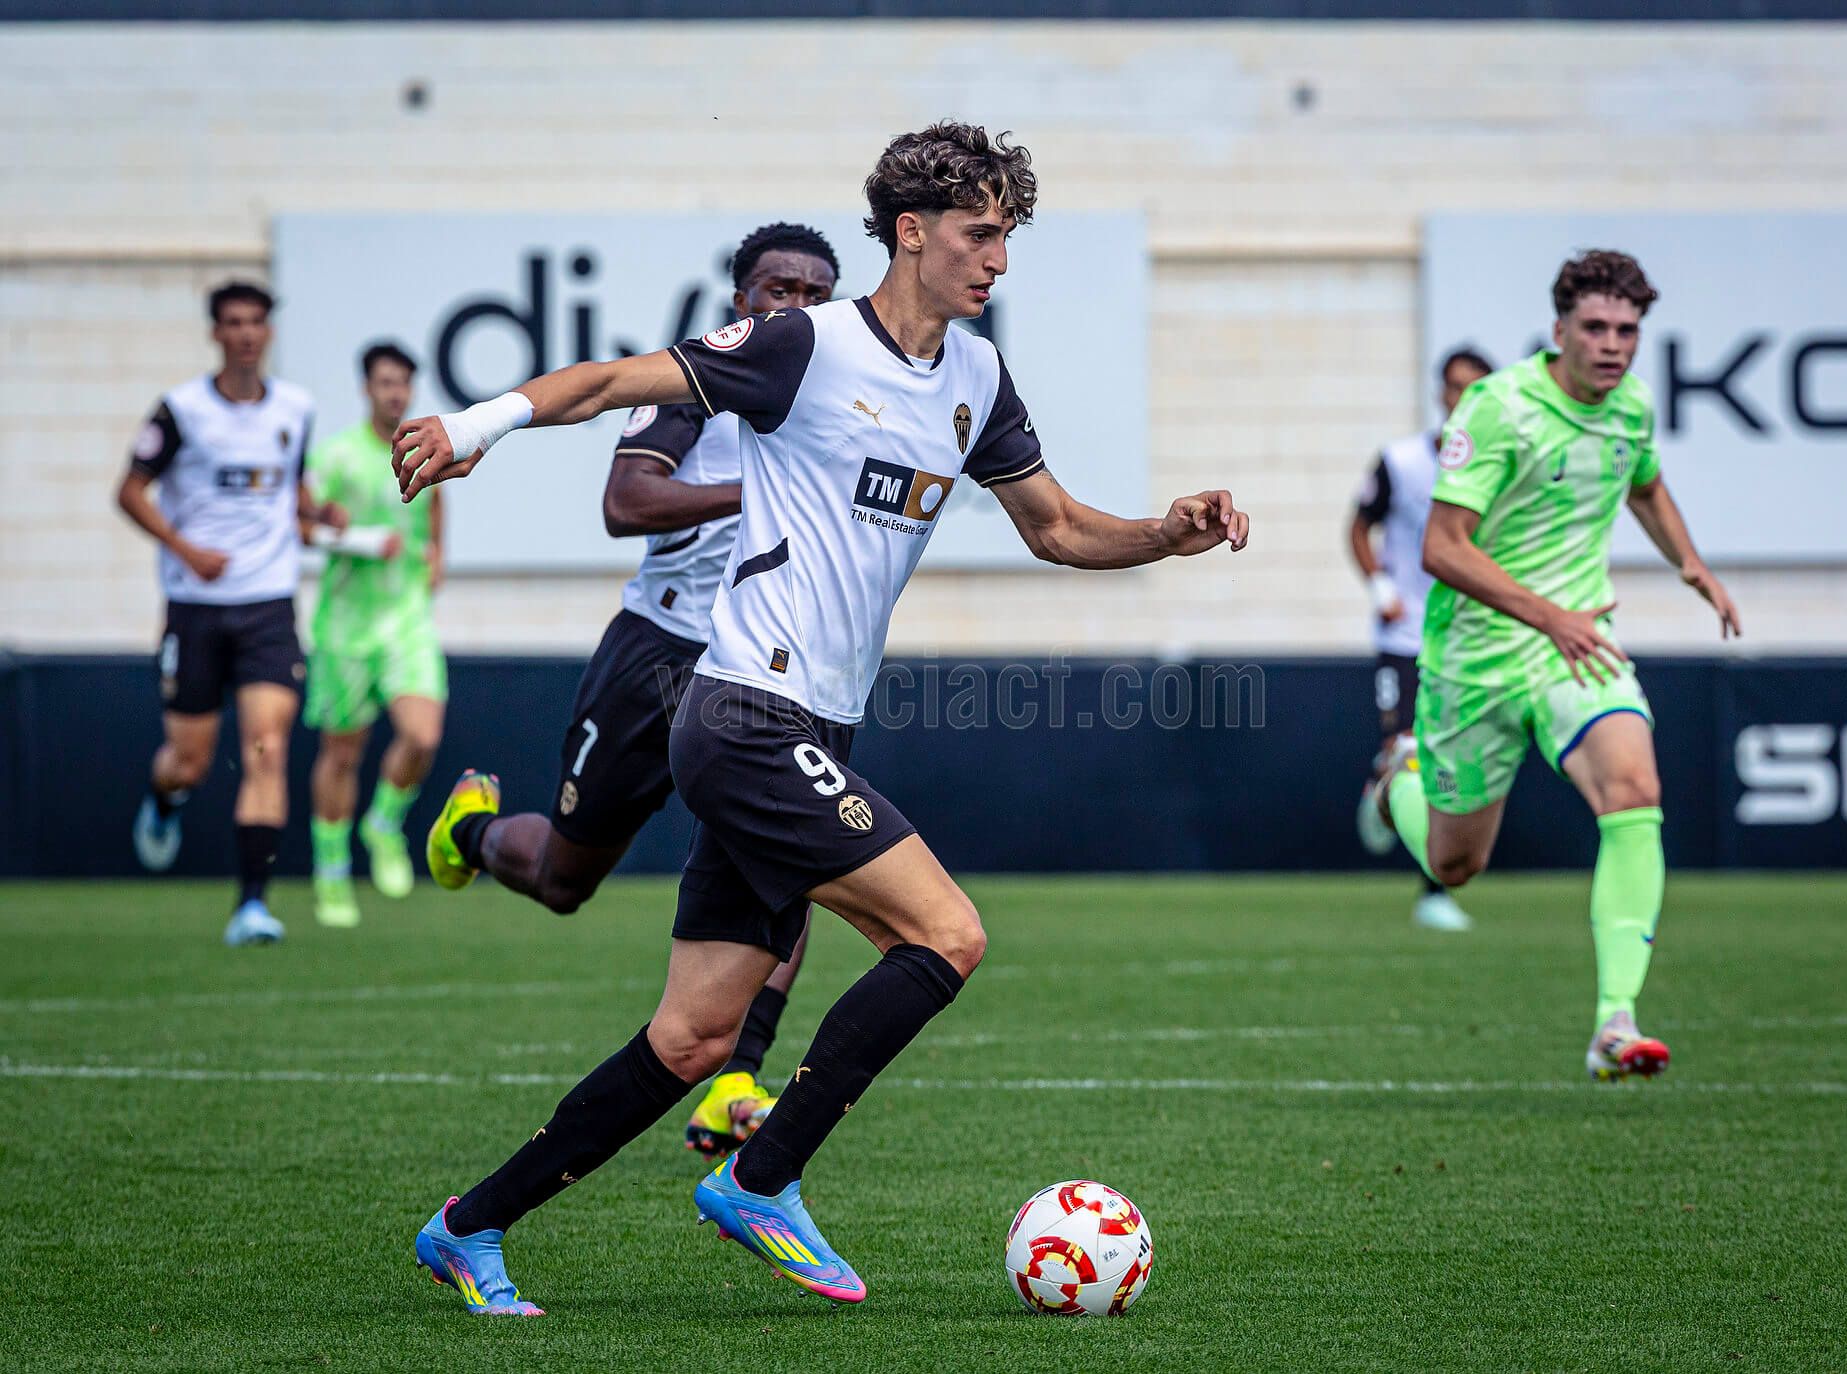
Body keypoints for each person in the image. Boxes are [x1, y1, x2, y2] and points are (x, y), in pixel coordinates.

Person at [393, 122, 1249, 1315]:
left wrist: (1169, 529)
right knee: (946, 936)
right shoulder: (804, 344)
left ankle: (467, 1227)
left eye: (1009, 236)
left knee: (694, 1040)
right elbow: (606, 383)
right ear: (911, 231)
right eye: (981, 233)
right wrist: (472, 428)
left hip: (813, 728)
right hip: (744, 711)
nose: (1000, 259)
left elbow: (1056, 529)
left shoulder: (978, 379)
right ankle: (764, 1177)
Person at [424, 223, 840, 1156]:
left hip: (752, 672)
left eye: (817, 294)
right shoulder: (705, 388)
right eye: (780, 289)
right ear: (742, 300)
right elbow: (626, 505)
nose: (797, 307)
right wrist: (755, 496)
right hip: (653, 658)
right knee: (567, 880)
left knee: (785, 865)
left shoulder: (831, 404)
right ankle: (474, 832)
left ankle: (732, 1078)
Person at [1362, 250, 1740, 1081]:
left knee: (1635, 792)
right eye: (1597, 329)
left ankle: (1615, 1022)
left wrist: (1688, 561)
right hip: (1476, 658)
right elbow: (1443, 549)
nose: (1613, 346)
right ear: (1561, 329)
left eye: (1629, 331)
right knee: (1457, 865)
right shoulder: (1499, 410)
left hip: (1578, 647)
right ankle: (1400, 780)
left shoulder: (1631, 406)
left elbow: (1643, 482)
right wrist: (1548, 615)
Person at [119, 280, 338, 947]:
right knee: (190, 760)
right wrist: (186, 548)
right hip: (196, 606)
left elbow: (290, 490)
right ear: (216, 333)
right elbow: (130, 491)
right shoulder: (181, 410)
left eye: (255, 323)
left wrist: (317, 514)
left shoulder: (295, 409)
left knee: (267, 749)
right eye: (232, 323)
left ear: (269, 333)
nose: (245, 333)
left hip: (268, 604)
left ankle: (251, 906)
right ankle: (165, 800)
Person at [303, 342, 447, 929]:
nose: (395, 393)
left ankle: (384, 823)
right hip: (344, 627)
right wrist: (349, 534)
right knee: (342, 753)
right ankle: (332, 871)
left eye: (403, 384)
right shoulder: (337, 455)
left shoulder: (422, 444)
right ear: (367, 388)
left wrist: (437, 557)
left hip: (405, 620)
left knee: (422, 733)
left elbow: (436, 511)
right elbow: (302, 524)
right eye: (385, 383)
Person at [1351, 348, 1492, 932]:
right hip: (1407, 634)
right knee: (1410, 752)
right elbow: (1359, 527)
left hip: (1467, 641)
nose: (1462, 401)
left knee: (1449, 764)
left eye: (1475, 391)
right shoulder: (1401, 461)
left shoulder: (1500, 466)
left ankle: (1433, 889)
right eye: (1455, 388)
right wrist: (1381, 586)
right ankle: (1386, 787)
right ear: (1440, 393)